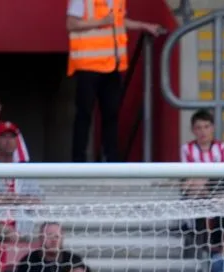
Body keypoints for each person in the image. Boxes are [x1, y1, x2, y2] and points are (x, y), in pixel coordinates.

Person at [66, 0, 163, 162]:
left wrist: (143, 25)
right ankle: (78, 161)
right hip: (88, 65)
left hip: (112, 65)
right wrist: (101, 22)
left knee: (111, 115)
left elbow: (118, 21)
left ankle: (111, 159)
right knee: (84, 115)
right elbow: (71, 23)